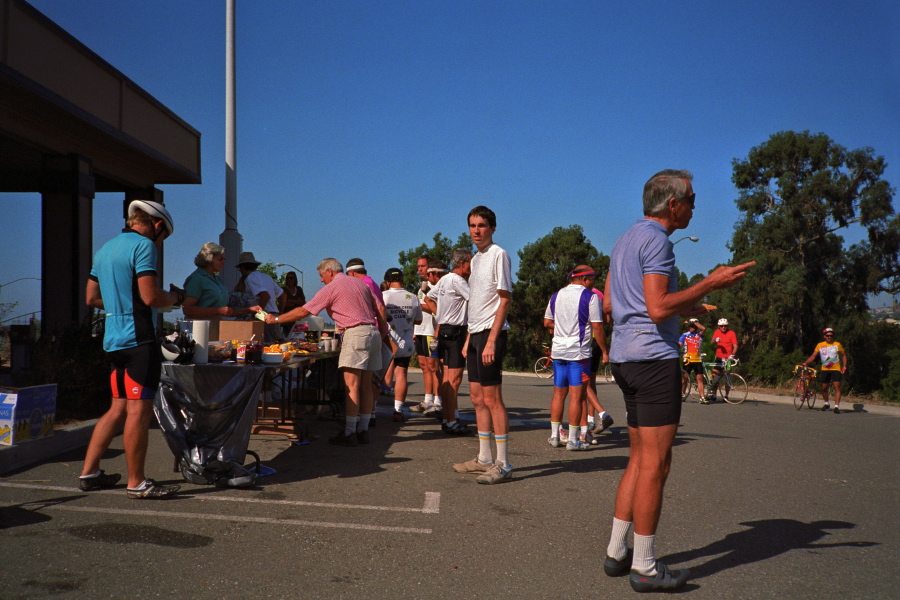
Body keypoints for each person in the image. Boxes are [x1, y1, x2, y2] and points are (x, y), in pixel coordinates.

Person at [602, 170, 754, 592]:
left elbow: (617, 303)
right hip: (653, 361)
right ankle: (646, 567)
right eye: (691, 198)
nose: (694, 205)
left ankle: (618, 552)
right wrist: (710, 281)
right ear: (672, 204)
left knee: (637, 458)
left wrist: (687, 309)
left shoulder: (625, 240)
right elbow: (655, 307)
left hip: (625, 358)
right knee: (656, 464)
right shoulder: (658, 241)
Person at [79, 200, 184, 499]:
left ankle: (89, 472)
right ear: (157, 226)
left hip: (112, 339)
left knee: (117, 408)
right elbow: (150, 297)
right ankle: (137, 482)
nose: (160, 244)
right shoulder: (143, 246)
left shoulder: (105, 249)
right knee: (138, 411)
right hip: (139, 340)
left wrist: (117, 305)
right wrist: (175, 297)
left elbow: (91, 299)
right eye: (162, 238)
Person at [264, 258, 388, 446]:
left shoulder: (332, 288)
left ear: (329, 271)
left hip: (355, 333)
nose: (321, 280)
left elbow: (303, 312)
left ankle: (349, 433)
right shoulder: (359, 283)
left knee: (351, 386)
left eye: (321, 275)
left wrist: (276, 319)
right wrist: (382, 332)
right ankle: (363, 429)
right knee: (365, 385)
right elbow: (379, 307)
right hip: (372, 333)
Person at [453, 206, 514, 484]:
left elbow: (504, 299)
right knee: (477, 399)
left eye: (482, 225)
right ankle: (484, 457)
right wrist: (469, 339)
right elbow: (477, 301)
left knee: (492, 400)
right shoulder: (476, 259)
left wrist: (491, 339)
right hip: (475, 334)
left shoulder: (498, 254)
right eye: (472, 225)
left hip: (492, 334)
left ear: (492, 227)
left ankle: (503, 463)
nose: (476, 230)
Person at [543, 265, 606, 451]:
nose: (593, 284)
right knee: (577, 398)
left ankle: (554, 436)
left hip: (559, 351)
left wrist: (562, 325)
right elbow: (598, 327)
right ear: (584, 279)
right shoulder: (590, 296)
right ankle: (573, 440)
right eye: (592, 279)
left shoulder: (556, 295)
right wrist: (605, 350)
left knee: (558, 394)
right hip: (578, 354)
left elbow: (547, 321)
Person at [425, 248, 473, 435]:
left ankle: (447, 418)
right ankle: (451, 421)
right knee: (454, 380)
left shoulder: (444, 279)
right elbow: (475, 300)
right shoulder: (458, 280)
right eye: (470, 262)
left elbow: (429, 297)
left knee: (446, 379)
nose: (472, 266)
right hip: (456, 332)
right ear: (462, 263)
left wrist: (441, 314)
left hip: (444, 330)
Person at [181, 242, 261, 323]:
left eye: (224, 259)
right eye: (220, 259)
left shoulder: (217, 279)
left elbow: (225, 311)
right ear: (209, 258)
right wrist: (217, 310)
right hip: (200, 330)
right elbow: (187, 309)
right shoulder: (196, 278)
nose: (223, 262)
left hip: (217, 328)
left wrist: (249, 309)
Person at [382, 267, 423, 421]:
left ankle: (371, 412)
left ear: (387, 282)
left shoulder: (383, 296)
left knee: (377, 377)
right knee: (401, 375)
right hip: (405, 343)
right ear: (402, 280)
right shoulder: (412, 297)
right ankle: (398, 410)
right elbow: (418, 320)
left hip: (386, 342)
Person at [580, 270, 613, 442]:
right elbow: (607, 321)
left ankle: (597, 416)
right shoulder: (600, 295)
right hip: (598, 342)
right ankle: (591, 420)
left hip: (585, 341)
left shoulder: (585, 295)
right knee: (590, 381)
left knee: (581, 382)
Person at [411, 254, 442, 413]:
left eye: (423, 266)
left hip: (432, 330)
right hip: (421, 330)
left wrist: (418, 305)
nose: (420, 269)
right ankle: (427, 399)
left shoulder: (435, 285)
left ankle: (438, 401)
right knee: (424, 366)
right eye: (418, 267)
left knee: (434, 366)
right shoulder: (421, 286)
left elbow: (437, 308)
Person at [235, 252, 283, 344]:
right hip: (274, 315)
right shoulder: (266, 277)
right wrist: (279, 312)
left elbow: (265, 296)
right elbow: (282, 294)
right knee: (272, 347)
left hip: (264, 317)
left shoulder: (250, 278)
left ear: (243, 267)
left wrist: (255, 315)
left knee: (264, 348)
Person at [803, 327, 848, 413]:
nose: (829, 337)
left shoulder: (837, 344)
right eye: (827, 335)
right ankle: (826, 403)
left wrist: (844, 366)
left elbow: (844, 355)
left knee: (837, 387)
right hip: (825, 369)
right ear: (824, 336)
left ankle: (836, 406)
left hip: (836, 369)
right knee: (824, 388)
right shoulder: (820, 345)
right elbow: (813, 356)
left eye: (831, 335)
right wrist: (806, 363)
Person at [706, 318, 738, 402]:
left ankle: (726, 396)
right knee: (714, 375)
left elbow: (735, 346)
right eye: (721, 326)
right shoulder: (717, 332)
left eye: (725, 326)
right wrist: (715, 340)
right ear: (719, 326)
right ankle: (714, 394)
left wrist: (732, 355)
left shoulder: (731, 333)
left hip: (728, 358)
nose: (723, 327)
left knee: (727, 376)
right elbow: (711, 342)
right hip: (718, 357)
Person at [678, 318, 707, 401]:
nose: (691, 327)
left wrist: (694, 322)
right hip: (687, 359)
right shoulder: (685, 335)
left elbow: (704, 328)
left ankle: (702, 397)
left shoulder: (699, 334)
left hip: (697, 359)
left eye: (693, 326)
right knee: (685, 378)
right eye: (690, 326)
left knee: (700, 378)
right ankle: (682, 393)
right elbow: (680, 343)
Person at [279, 271, 306, 338]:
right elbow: (284, 304)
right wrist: (297, 301)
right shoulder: (283, 290)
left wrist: (291, 300)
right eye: (287, 278)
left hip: (298, 320)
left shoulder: (299, 289)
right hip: (286, 320)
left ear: (295, 279)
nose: (289, 280)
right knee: (286, 338)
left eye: (291, 278)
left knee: (298, 338)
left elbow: (303, 302)